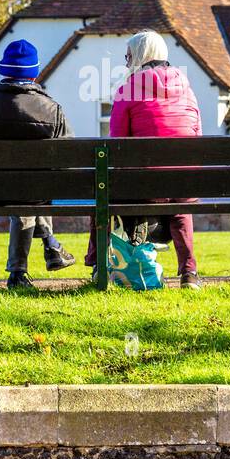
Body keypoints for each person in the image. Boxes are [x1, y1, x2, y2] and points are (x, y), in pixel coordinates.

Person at [0, 38, 76, 288]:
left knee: (24, 190)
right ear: (34, 74)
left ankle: (20, 272)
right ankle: (49, 245)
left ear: (3, 71)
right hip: (36, 194)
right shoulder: (52, 109)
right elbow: (67, 160)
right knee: (32, 190)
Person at [86, 30, 202, 289]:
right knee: (180, 201)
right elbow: (198, 136)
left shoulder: (128, 89)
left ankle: (96, 265)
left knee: (101, 194)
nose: (127, 63)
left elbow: (117, 145)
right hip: (186, 185)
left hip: (145, 188)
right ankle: (189, 274)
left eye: (128, 57)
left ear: (139, 56)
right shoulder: (187, 88)